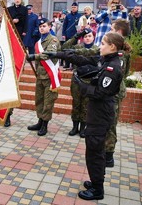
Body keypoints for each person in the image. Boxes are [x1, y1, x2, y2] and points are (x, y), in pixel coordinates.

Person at [46, 32, 124, 200]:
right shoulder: (107, 60)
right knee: (96, 149)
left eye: (103, 43)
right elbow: (84, 59)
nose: (100, 45)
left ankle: (97, 190)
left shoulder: (112, 67)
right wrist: (57, 54)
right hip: (98, 111)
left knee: (94, 151)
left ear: (112, 46)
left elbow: (100, 93)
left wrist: (81, 85)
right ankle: (96, 181)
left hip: (100, 113)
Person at [61, 28, 99, 138]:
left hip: (90, 81)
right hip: (77, 80)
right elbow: (64, 48)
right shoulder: (77, 47)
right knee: (76, 103)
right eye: (85, 36)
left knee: (86, 105)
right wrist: (77, 36)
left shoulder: (97, 49)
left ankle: (83, 128)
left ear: (93, 37)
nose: (87, 38)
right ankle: (74, 127)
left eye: (90, 36)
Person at [26, 18, 61, 136]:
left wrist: (33, 56)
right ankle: (40, 121)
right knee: (39, 100)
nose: (42, 28)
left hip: (50, 76)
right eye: (40, 26)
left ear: (50, 27)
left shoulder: (53, 40)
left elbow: (48, 54)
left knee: (48, 102)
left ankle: (45, 124)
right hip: (40, 75)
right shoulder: (38, 42)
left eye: (44, 26)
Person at [105, 19, 131, 167]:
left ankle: (109, 154)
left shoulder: (121, 53)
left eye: (112, 28)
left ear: (119, 32)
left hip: (114, 93)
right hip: (110, 91)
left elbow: (122, 74)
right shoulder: (114, 48)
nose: (109, 30)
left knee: (110, 123)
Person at [62, 2, 82, 69]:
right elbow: (64, 26)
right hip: (68, 35)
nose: (73, 9)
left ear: (77, 8)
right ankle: (67, 64)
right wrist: (63, 34)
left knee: (74, 50)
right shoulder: (68, 16)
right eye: (72, 7)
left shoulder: (80, 16)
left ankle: (73, 65)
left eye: (75, 7)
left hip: (76, 36)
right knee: (67, 50)